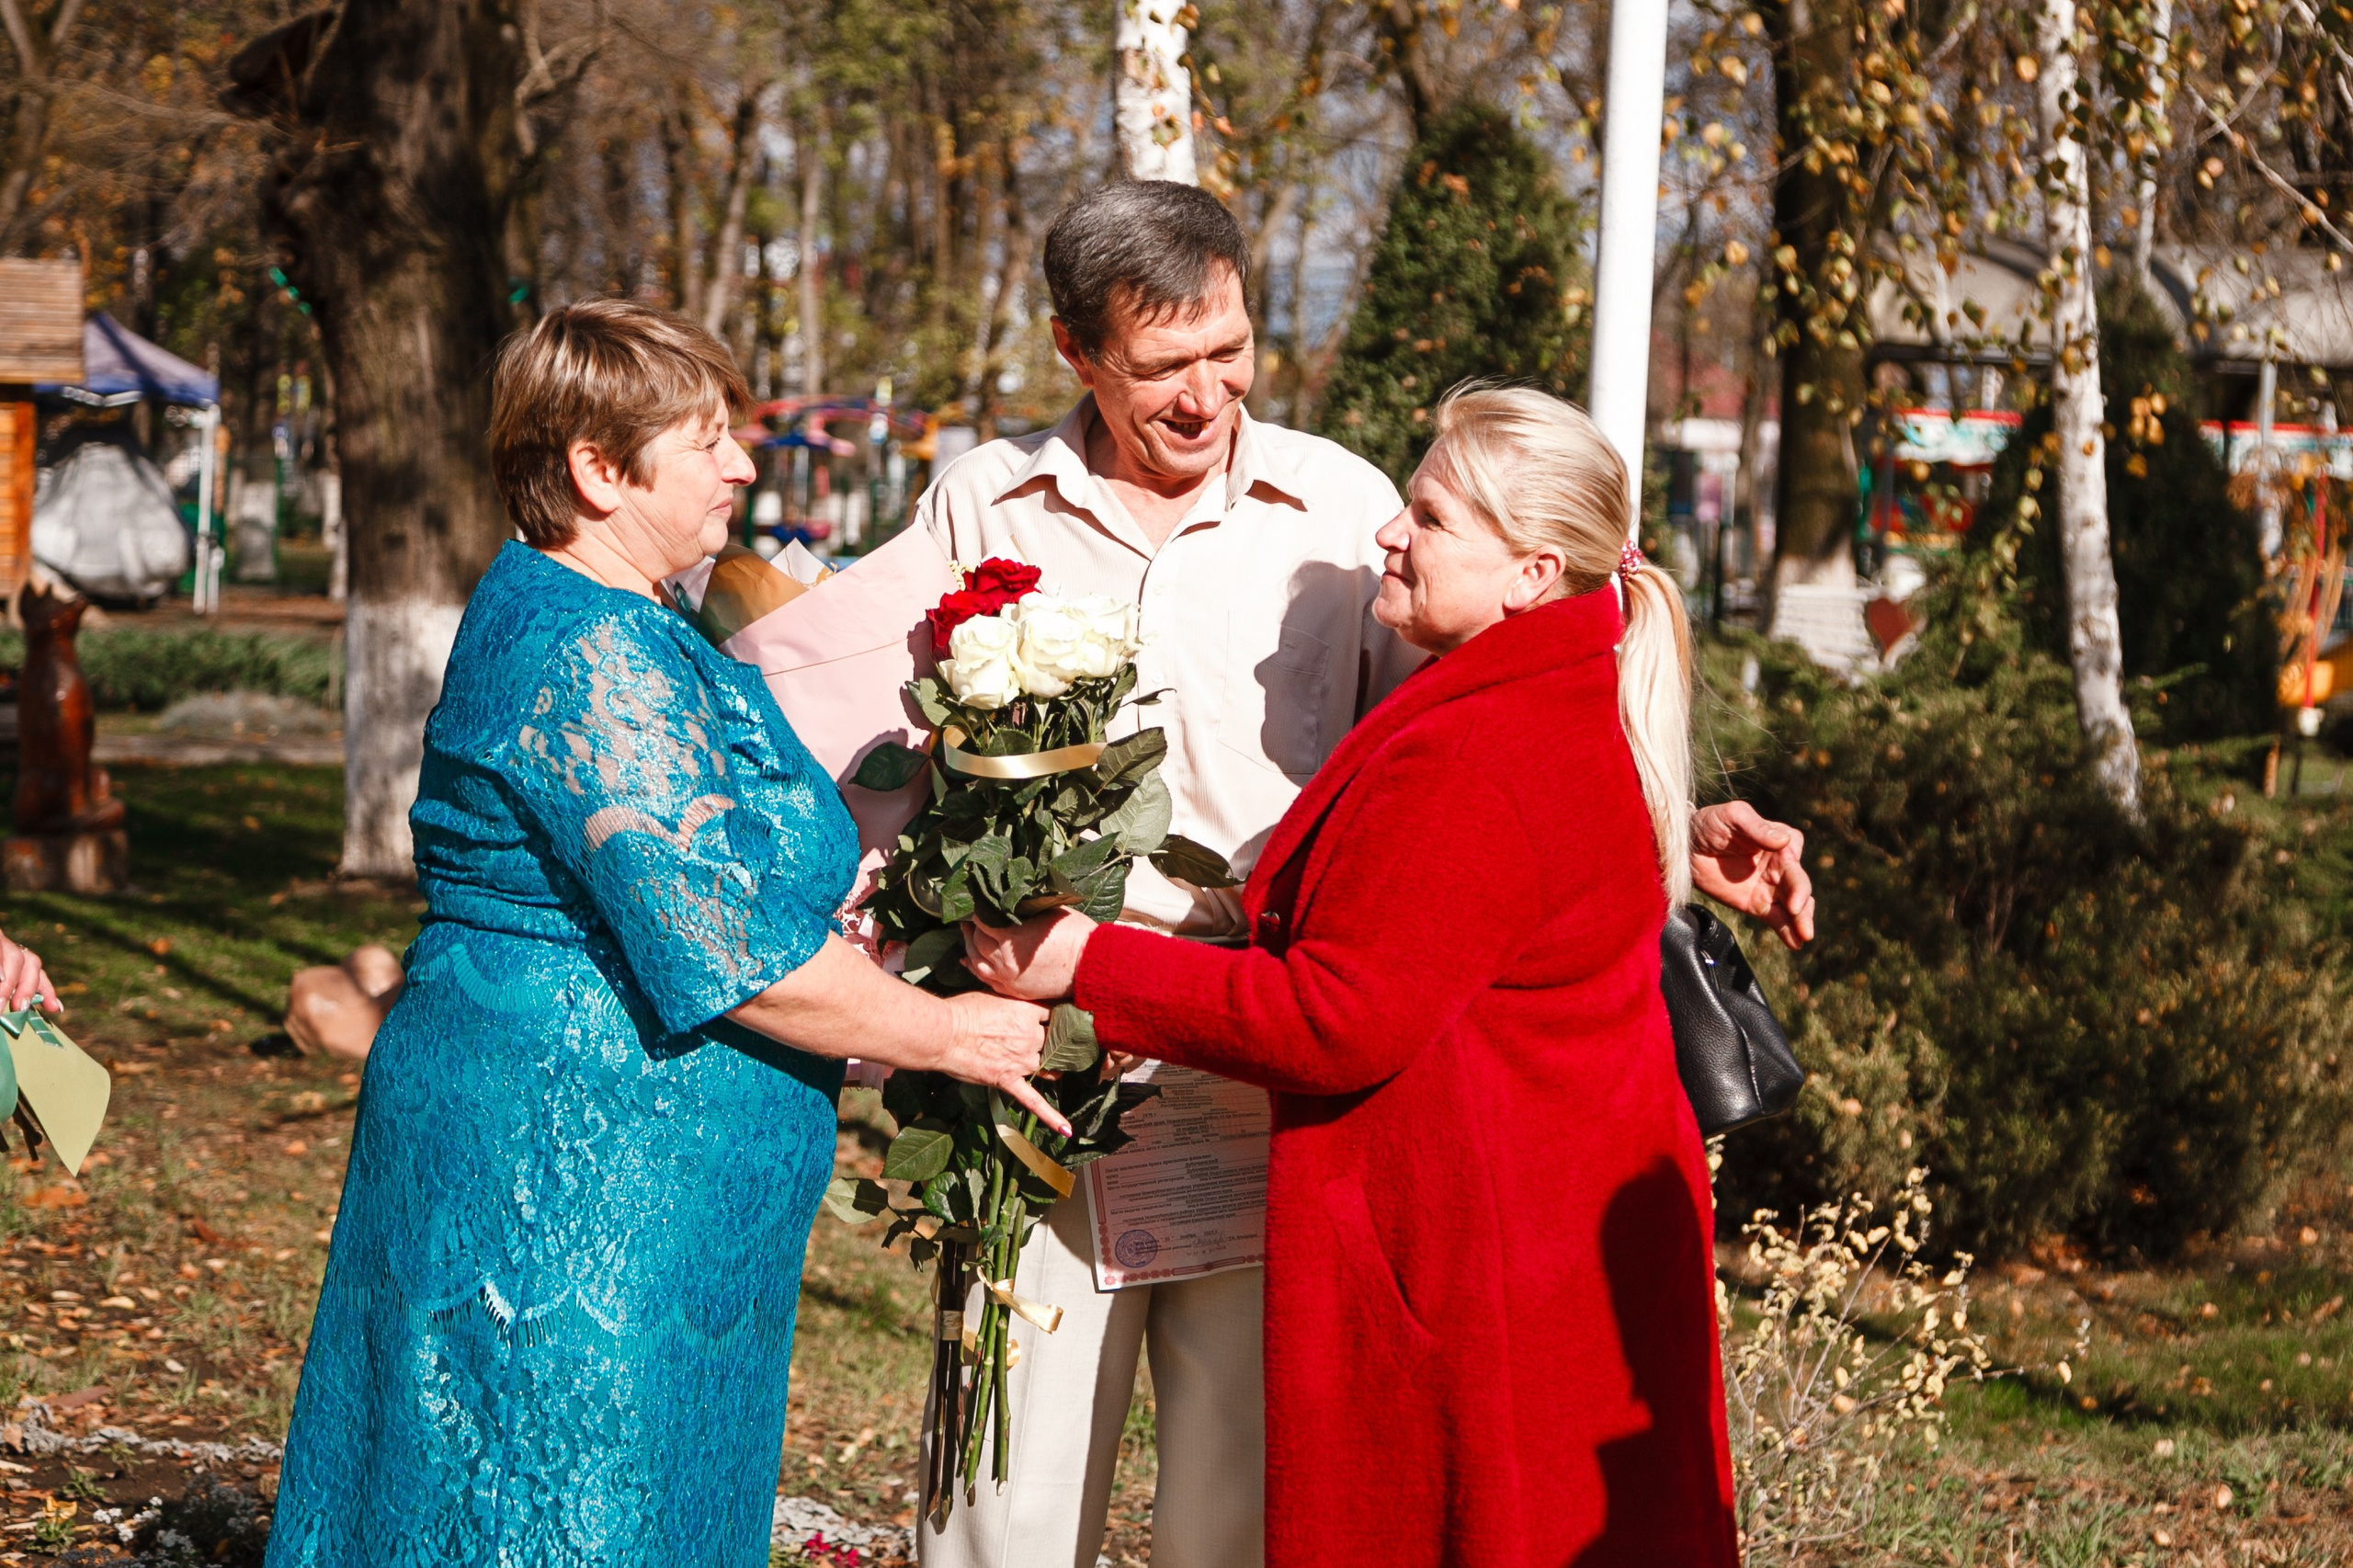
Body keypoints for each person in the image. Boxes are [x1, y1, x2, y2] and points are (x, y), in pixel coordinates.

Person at [912, 180, 1805, 1568]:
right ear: (1074, 353)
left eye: (1229, 350)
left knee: (1239, 1503)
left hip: (1267, 1082)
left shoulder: (1341, 503)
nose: (1206, 395)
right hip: (1044, 1065)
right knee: (1003, 1504)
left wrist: (1666, 820)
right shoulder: (979, 502)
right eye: (1162, 368)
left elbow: (1474, 763)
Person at [266, 300, 1057, 1568]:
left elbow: (709, 842)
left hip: (638, 1197)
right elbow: (725, 948)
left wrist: (946, 773)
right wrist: (951, 1030)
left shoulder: (626, 622)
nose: (743, 463)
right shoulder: (594, 651)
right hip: (569, 1192)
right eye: (709, 440)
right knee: (550, 1506)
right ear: (596, 469)